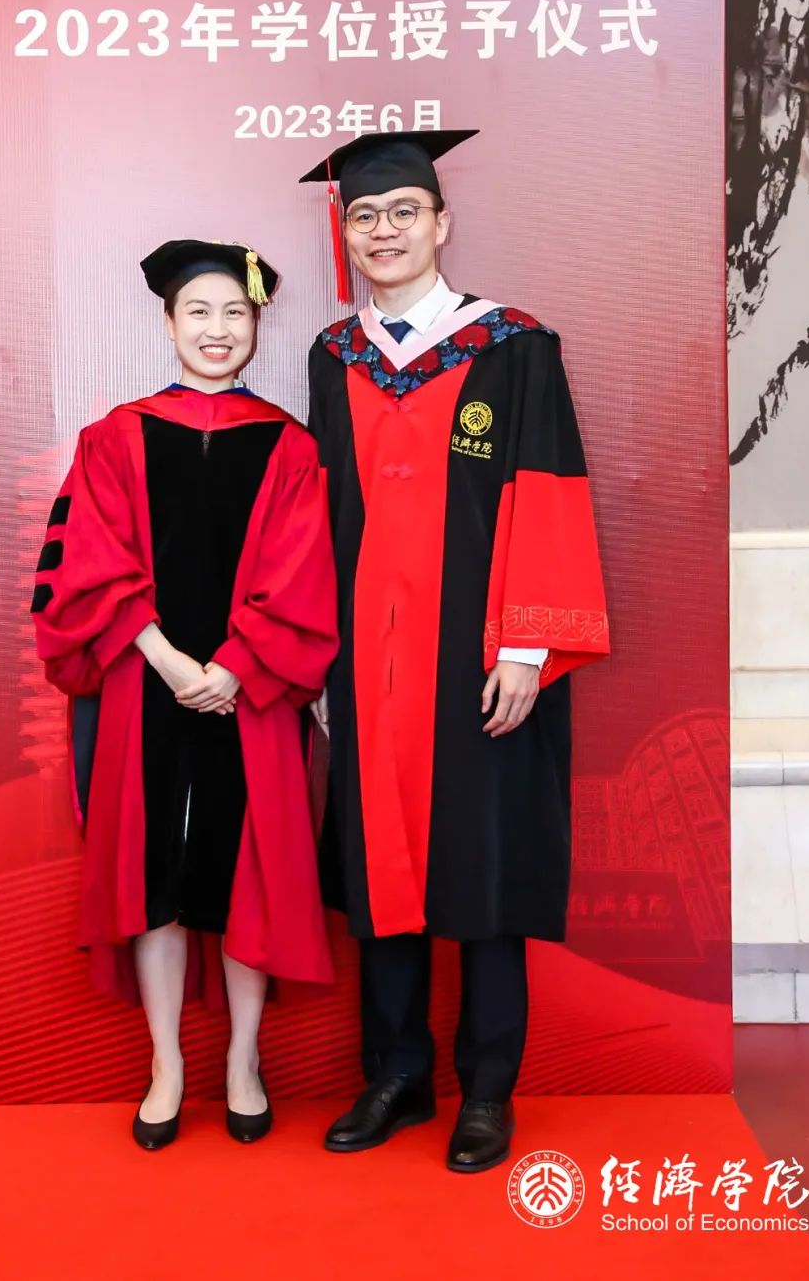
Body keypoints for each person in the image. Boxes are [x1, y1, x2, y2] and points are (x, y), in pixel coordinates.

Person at [302, 131, 610, 1173]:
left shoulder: (513, 347)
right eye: (364, 216)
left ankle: (487, 1090)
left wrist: (528, 644)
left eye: (403, 212)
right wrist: (321, 660)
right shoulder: (335, 357)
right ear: (345, 235)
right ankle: (394, 1076)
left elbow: (550, 489)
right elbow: (317, 514)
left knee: (484, 866)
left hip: (479, 657)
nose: (383, 231)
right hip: (366, 662)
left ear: (441, 222)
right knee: (379, 869)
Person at [30, 239, 338, 1151]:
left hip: (255, 689)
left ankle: (243, 1060)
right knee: (152, 873)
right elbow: (89, 563)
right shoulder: (115, 436)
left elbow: (304, 575)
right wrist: (167, 659)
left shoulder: (290, 446)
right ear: (168, 324)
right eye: (198, 312)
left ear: (257, 326)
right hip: (144, 681)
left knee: (250, 873)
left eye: (235, 313)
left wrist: (237, 667)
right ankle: (165, 1063)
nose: (217, 329)